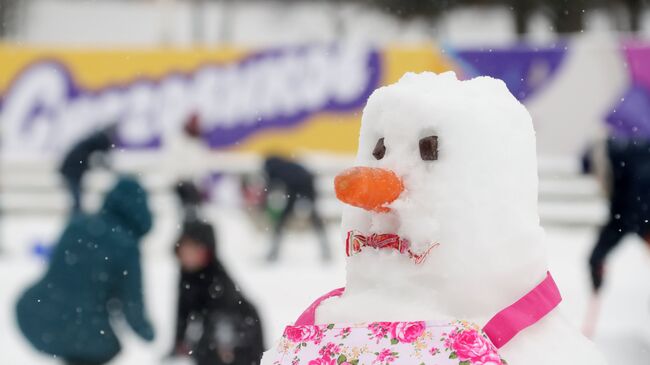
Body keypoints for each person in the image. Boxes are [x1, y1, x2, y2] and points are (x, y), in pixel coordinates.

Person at [16, 177, 155, 365]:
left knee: (76, 343)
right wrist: (146, 332)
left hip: (37, 314)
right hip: (86, 330)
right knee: (95, 346)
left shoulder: (78, 225)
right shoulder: (126, 245)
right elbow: (132, 302)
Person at [171, 220, 265, 365]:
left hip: (241, 330)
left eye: (193, 249)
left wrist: (224, 346)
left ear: (206, 251)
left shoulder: (216, 278)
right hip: (210, 332)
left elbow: (225, 314)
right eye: (184, 249)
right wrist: (178, 341)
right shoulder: (186, 273)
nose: (187, 255)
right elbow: (182, 310)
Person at [587, 85, 650, 292]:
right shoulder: (624, 164)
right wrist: (597, 261)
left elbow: (633, 209)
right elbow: (624, 215)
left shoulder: (633, 164)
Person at [263, 156, 331, 262]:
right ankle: (326, 251)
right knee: (316, 221)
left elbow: (271, 185)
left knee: (282, 221)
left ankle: (273, 253)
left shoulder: (275, 168)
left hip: (298, 190)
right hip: (304, 188)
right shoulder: (286, 166)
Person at [59, 125, 116, 212]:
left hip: (71, 170)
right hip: (72, 171)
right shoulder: (94, 143)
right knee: (76, 195)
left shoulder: (88, 144)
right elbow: (100, 158)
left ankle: (77, 214)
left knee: (77, 194)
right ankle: (77, 215)